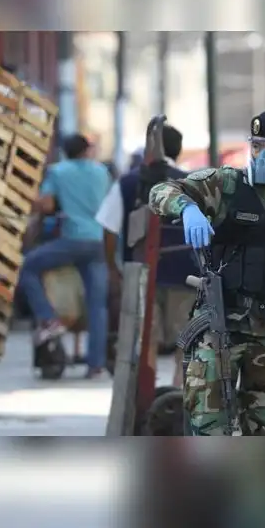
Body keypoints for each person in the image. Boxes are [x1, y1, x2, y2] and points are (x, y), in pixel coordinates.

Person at [148, 111, 265, 435]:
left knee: (264, 433)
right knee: (208, 427)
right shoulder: (226, 185)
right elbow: (160, 193)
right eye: (257, 146)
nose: (263, 156)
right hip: (220, 326)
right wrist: (189, 209)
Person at [95, 124, 197, 388]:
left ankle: (147, 392)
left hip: (141, 273)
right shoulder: (191, 183)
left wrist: (113, 267)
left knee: (146, 340)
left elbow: (108, 227)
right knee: (185, 342)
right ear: (179, 150)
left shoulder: (129, 182)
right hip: (184, 273)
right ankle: (178, 394)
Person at [18, 135, 112, 378]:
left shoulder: (58, 172)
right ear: (86, 151)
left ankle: (49, 319)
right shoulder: (102, 172)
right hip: (98, 242)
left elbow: (47, 206)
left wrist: (28, 200)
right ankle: (96, 365)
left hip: (71, 240)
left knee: (28, 267)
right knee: (96, 306)